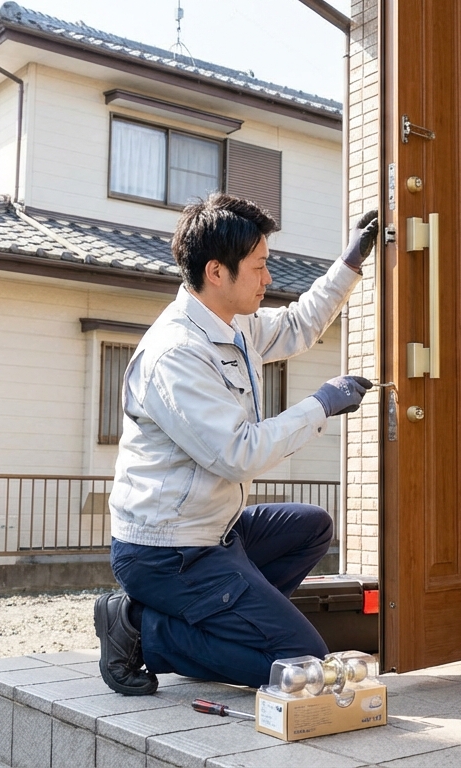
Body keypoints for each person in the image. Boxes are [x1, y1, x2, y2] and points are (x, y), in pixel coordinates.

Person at [94, 193, 380, 694]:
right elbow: (237, 453)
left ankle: (224, 616)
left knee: (311, 527)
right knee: (300, 662)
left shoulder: (232, 324)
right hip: (166, 551)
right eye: (259, 267)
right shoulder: (176, 354)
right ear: (217, 272)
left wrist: (350, 263)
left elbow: (296, 325)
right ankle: (142, 627)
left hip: (214, 529)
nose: (268, 279)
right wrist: (321, 405)